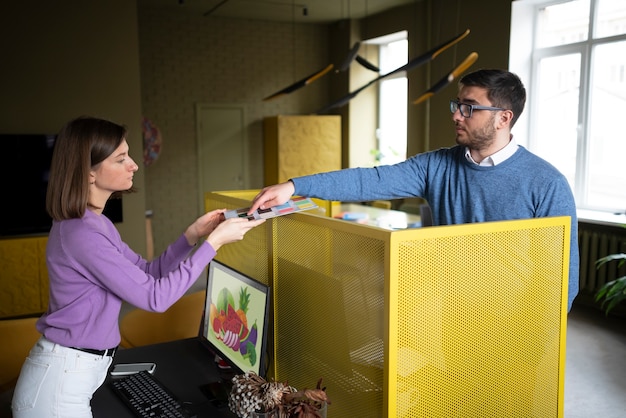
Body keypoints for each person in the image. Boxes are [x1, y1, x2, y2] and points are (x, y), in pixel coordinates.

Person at [248, 68, 579, 311]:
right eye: (457, 105)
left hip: (513, 322)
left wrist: (536, 333)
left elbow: (564, 278)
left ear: (503, 118)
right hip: (450, 311)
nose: (457, 115)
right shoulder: (436, 166)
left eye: (470, 107)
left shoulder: (547, 183)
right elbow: (370, 179)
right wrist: (295, 186)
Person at [11, 116, 265, 418]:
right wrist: (214, 244)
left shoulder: (94, 224)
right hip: (58, 386)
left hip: (76, 373)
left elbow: (149, 274)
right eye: (121, 159)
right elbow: (155, 299)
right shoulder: (81, 234)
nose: (134, 165)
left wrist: (191, 237)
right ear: (89, 173)